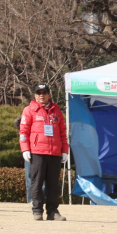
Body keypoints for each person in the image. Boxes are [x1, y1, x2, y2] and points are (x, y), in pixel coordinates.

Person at [19, 83, 69, 221]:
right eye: (39, 93)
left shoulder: (57, 111)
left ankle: (53, 212)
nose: (41, 95)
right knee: (37, 182)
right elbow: (23, 132)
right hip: (37, 151)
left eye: (44, 92)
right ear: (35, 95)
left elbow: (63, 133)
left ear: (49, 95)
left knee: (53, 184)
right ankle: (37, 210)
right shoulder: (29, 110)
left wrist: (65, 150)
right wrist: (25, 149)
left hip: (54, 152)